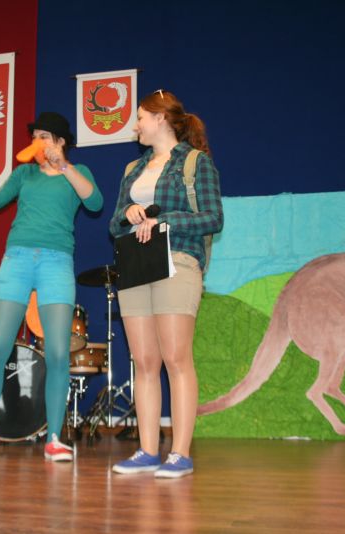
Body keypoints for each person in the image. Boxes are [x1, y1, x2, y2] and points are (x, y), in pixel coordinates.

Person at [0, 112, 103, 461]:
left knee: (57, 354)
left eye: (44, 136)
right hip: (18, 260)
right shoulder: (25, 174)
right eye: (34, 136)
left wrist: (63, 166)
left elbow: (95, 203)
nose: (36, 142)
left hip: (57, 262)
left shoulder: (78, 172)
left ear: (60, 141)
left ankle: (54, 438)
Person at [109, 90, 223, 478]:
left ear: (160, 119)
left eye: (140, 117)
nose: (135, 126)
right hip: (135, 265)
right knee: (144, 362)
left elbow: (213, 217)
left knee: (176, 358)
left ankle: (180, 453)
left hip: (178, 260)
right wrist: (128, 212)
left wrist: (164, 221)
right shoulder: (132, 168)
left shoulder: (195, 162)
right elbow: (114, 225)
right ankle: (146, 450)